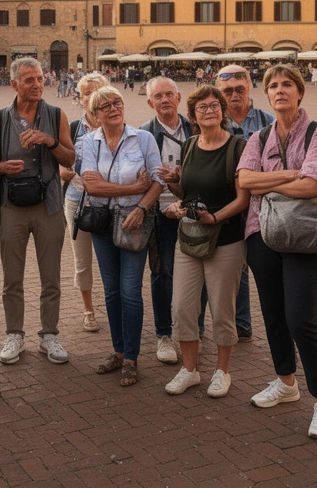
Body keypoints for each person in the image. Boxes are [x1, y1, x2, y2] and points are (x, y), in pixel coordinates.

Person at [237, 65, 317, 440]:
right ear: (267, 95)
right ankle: (285, 381)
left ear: (300, 92)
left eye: (287, 85)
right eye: (273, 86)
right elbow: (245, 180)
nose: (280, 90)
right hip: (260, 233)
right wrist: (290, 174)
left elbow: (313, 185)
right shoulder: (259, 137)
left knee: (301, 320)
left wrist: (271, 182)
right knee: (274, 315)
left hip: (303, 236)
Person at [0, 57, 76, 365]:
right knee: (12, 277)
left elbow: (70, 160)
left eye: (40, 79)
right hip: (12, 205)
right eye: (29, 80)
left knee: (51, 276)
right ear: (14, 84)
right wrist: (2, 168)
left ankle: (49, 335)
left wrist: (49, 141)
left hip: (49, 205)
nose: (37, 85)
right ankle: (14, 334)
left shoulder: (56, 115)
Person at [162, 84, 251, 397]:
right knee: (182, 307)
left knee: (222, 310)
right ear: (193, 115)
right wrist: (175, 192)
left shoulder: (238, 147)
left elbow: (243, 198)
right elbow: (187, 193)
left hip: (226, 239)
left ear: (223, 111)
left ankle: (222, 371)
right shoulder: (189, 145)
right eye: (202, 107)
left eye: (215, 106)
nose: (209, 111)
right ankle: (190, 370)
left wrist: (215, 217)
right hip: (190, 237)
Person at [78, 85, 162, 386]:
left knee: (130, 291)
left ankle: (131, 358)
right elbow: (91, 186)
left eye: (117, 103)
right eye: (106, 106)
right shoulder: (89, 142)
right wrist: (133, 188)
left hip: (133, 221)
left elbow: (157, 181)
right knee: (112, 291)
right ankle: (117, 351)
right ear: (95, 114)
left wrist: (141, 206)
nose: (113, 109)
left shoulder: (143, 139)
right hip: (102, 223)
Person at [140, 76, 190, 366]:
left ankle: (193, 329)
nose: (165, 100)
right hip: (160, 213)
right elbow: (142, 179)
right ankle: (164, 334)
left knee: (197, 273)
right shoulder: (143, 134)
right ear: (150, 102)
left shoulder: (195, 129)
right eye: (158, 96)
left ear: (179, 97)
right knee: (162, 273)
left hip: (193, 211)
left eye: (169, 94)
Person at [215, 65, 266, 341]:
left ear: (249, 87)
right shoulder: (212, 120)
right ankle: (241, 321)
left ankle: (261, 323)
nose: (234, 95)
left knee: (263, 266)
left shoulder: (268, 121)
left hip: (263, 207)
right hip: (226, 205)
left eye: (239, 89)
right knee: (233, 266)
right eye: (227, 90)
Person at [60, 72, 109, 333]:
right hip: (76, 199)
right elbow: (59, 161)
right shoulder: (72, 129)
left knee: (111, 258)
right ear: (80, 98)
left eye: (96, 91)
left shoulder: (115, 125)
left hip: (109, 201)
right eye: (86, 93)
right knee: (82, 260)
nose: (91, 97)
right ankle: (88, 310)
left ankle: (114, 305)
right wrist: (63, 172)